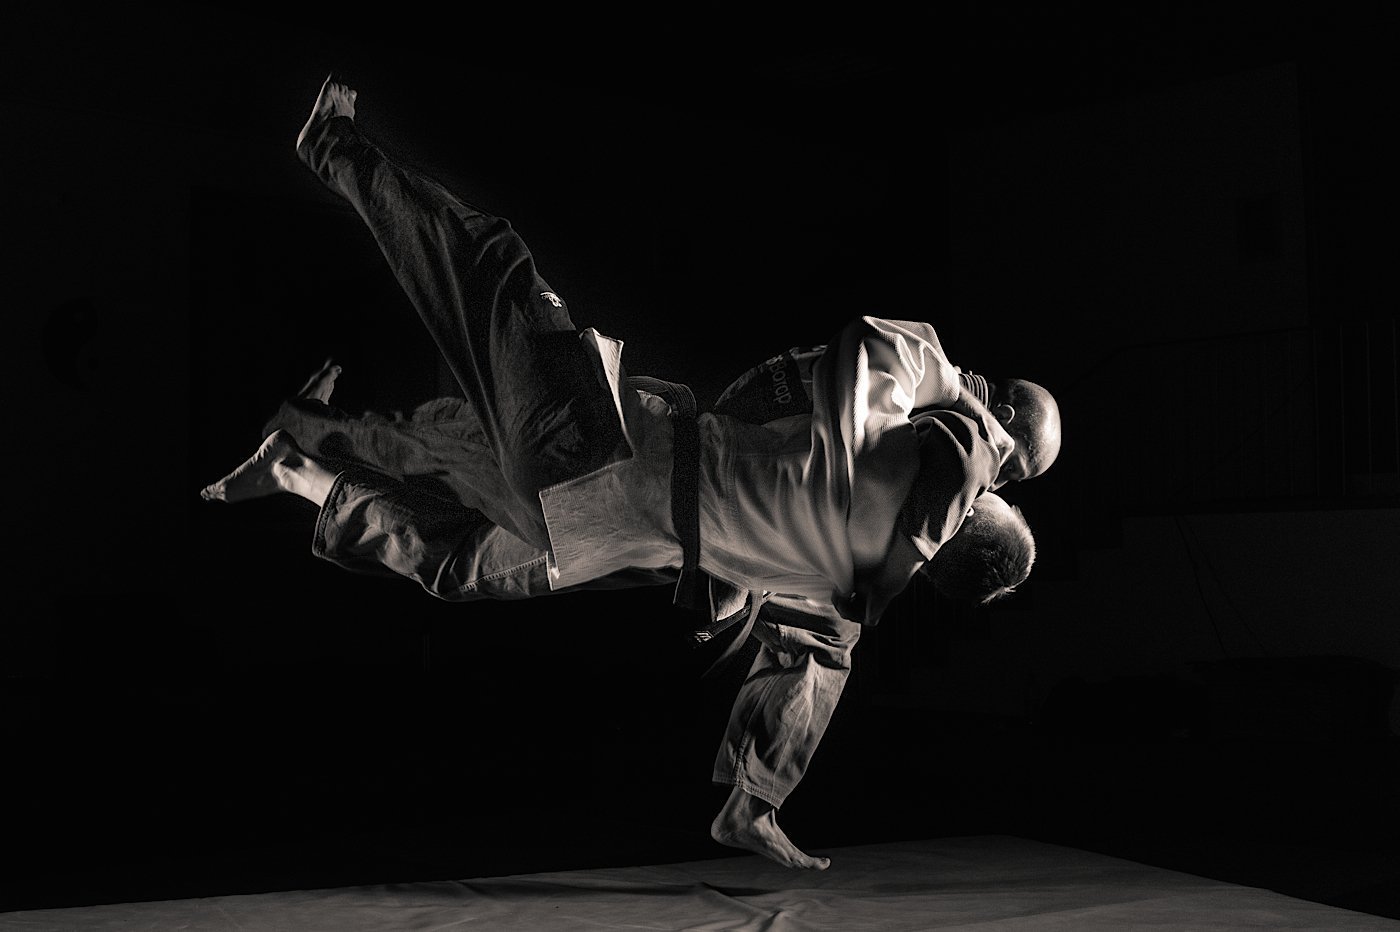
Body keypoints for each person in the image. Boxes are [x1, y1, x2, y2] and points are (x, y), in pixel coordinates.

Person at [202, 73, 1062, 869]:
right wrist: (754, 800)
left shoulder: (882, 448)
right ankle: (297, 469)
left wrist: (969, 403)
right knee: (457, 554)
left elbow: (879, 351)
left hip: (600, 452)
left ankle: (331, 147)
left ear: (973, 494)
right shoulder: (849, 597)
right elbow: (807, 677)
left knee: (488, 268)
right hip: (595, 538)